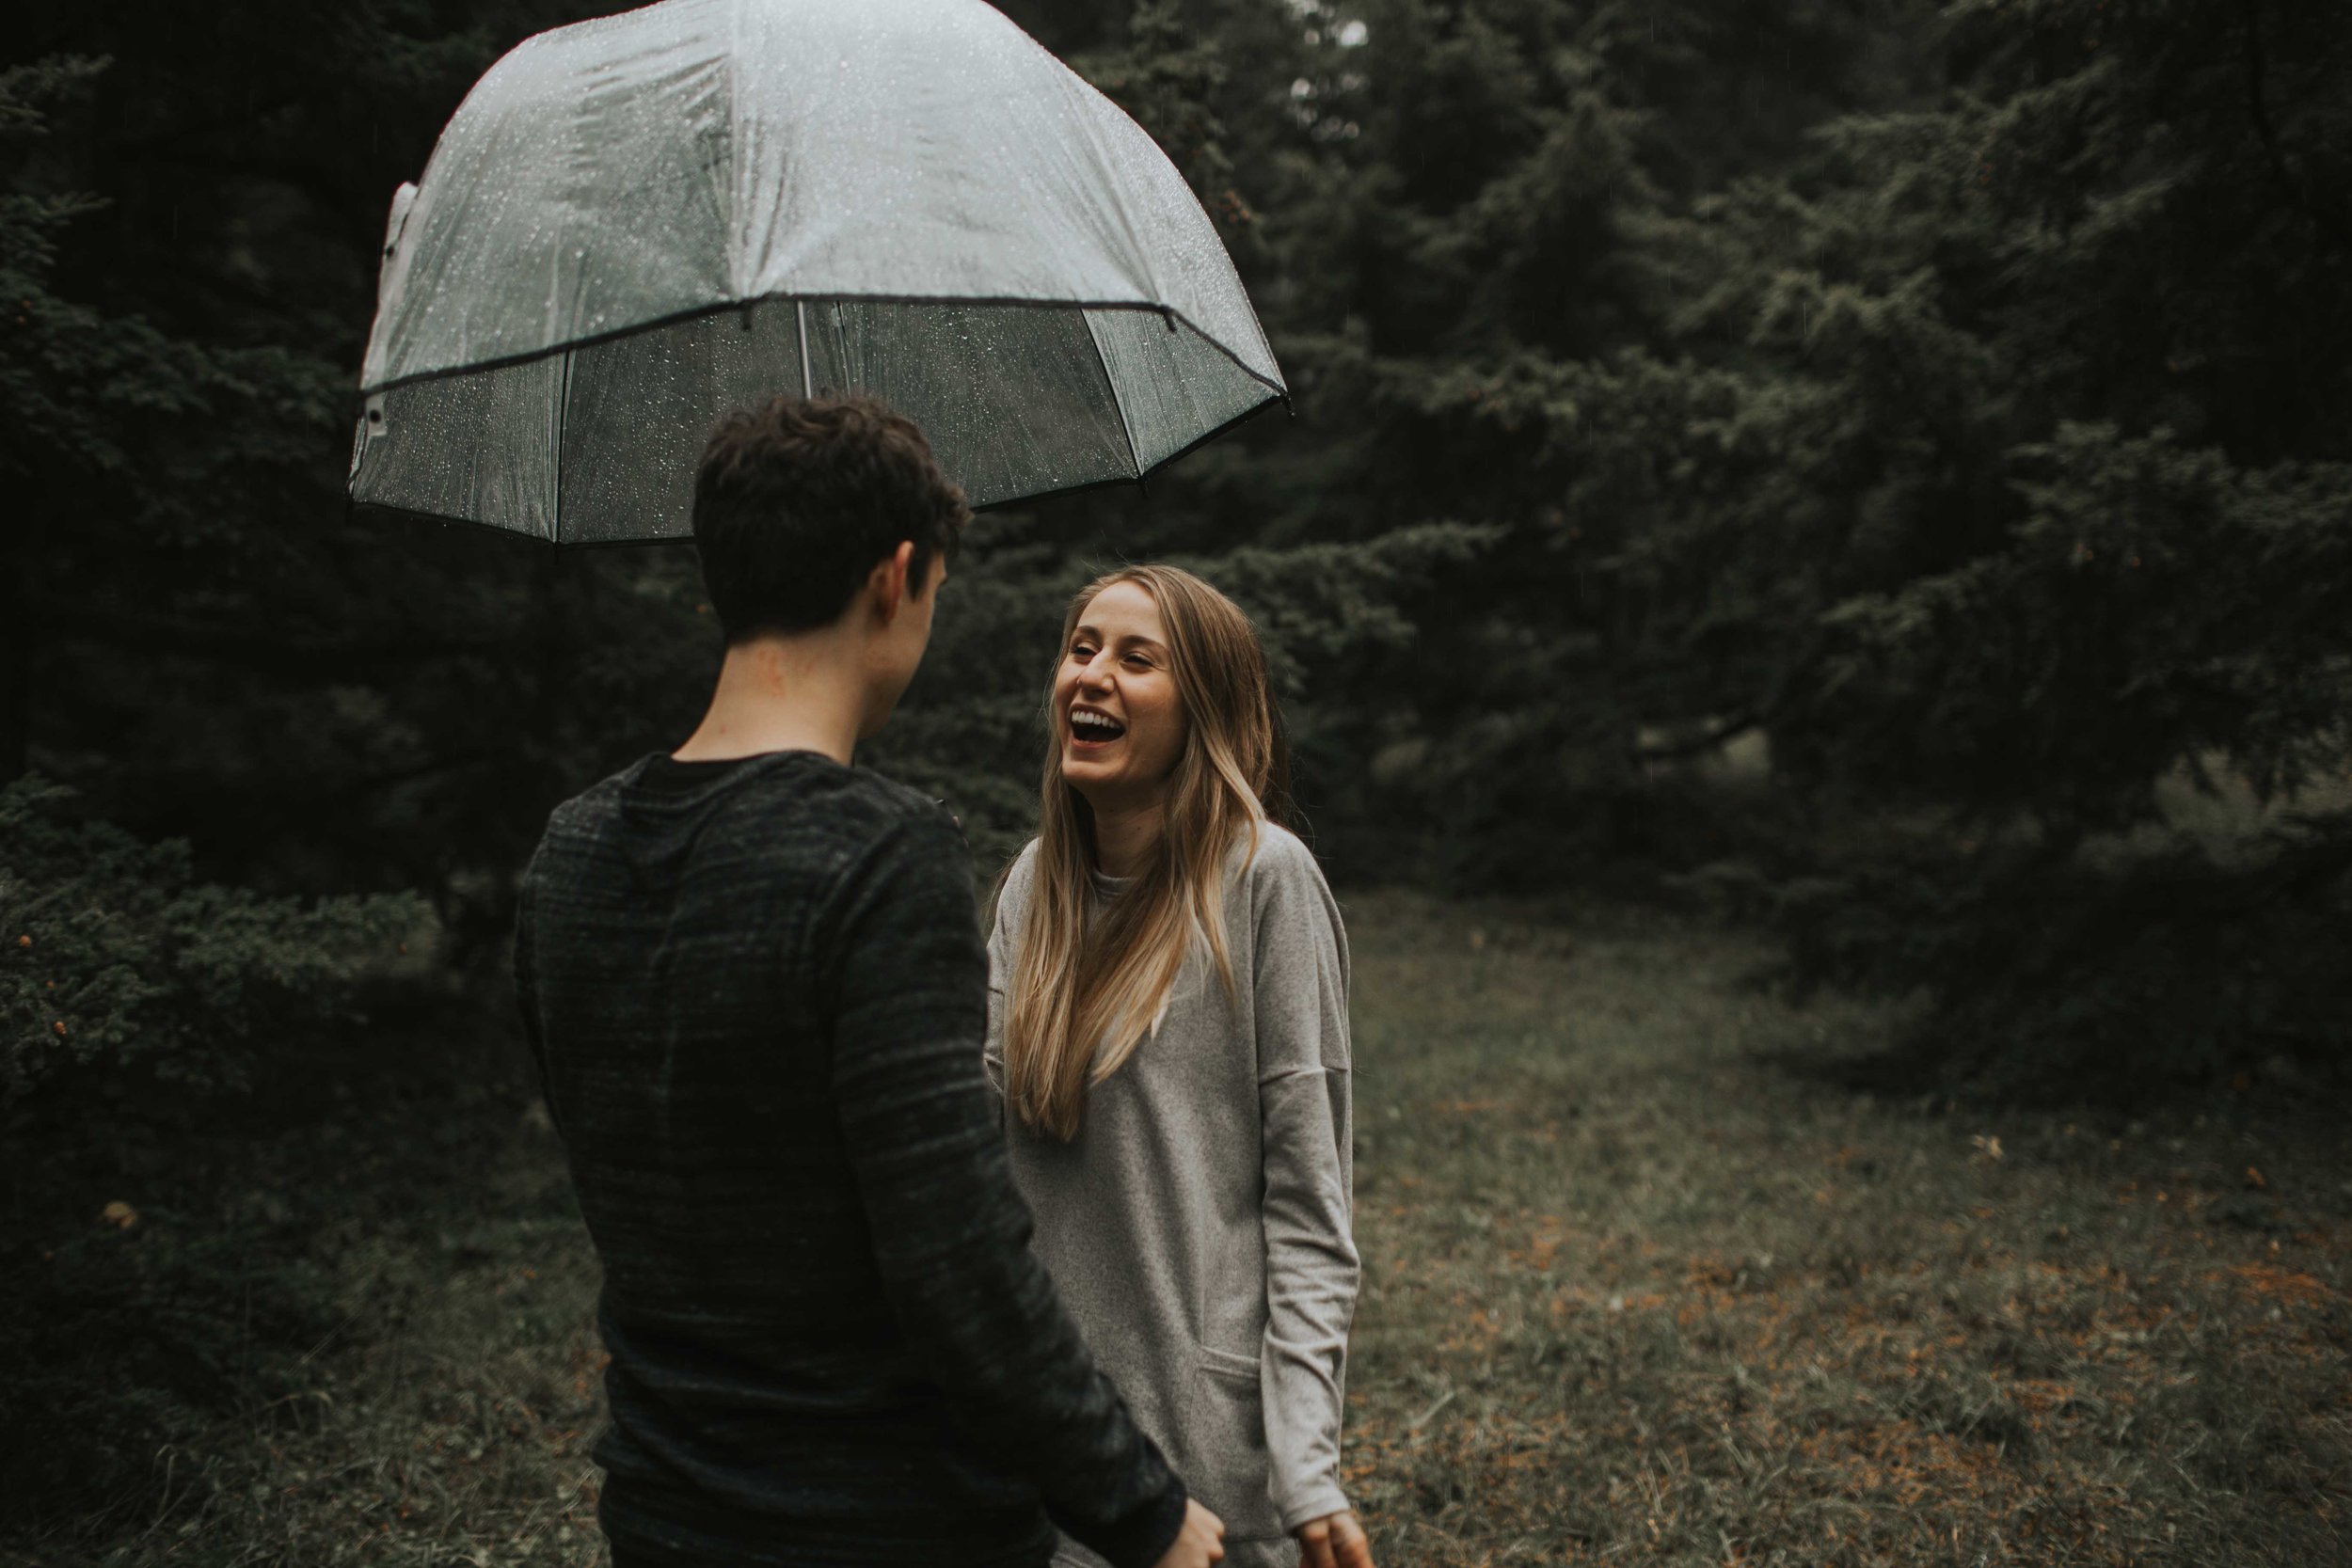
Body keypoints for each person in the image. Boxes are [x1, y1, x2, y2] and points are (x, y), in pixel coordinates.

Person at [513, 396, 1226, 1568]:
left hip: (664, 1507)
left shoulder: (567, 853)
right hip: (889, 1520)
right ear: (896, 578)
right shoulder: (878, 852)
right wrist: (1139, 1506)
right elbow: (954, 1255)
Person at [984, 566, 1375, 1568]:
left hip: (1205, 1455)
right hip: (1044, 1445)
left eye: (1134, 657)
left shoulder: (1264, 879)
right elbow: (979, 1170)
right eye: (1080, 648)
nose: (1091, 676)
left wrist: (1304, 1458)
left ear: (1205, 707)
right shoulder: (1034, 887)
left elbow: (1307, 1205)